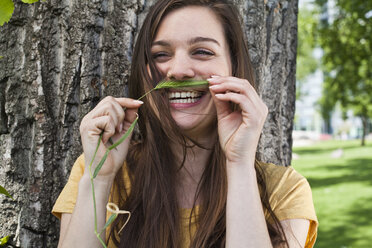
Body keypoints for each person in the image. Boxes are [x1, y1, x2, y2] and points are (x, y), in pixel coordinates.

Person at [52, 0, 318, 247]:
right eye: (160, 55)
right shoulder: (98, 169)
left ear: (234, 70)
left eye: (202, 52)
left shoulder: (284, 191)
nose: (178, 70)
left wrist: (239, 164)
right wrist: (99, 179)